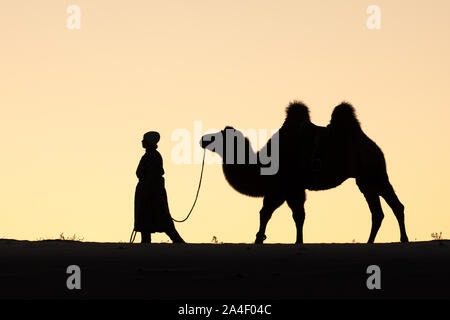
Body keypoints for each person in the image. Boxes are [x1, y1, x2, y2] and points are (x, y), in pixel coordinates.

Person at [134, 131, 185, 243]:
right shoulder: (150, 155)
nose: (142, 141)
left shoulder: (152, 156)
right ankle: (146, 244)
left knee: (161, 218)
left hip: (151, 193)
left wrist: (147, 191)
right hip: (149, 191)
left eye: (144, 139)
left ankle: (179, 244)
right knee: (147, 221)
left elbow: (150, 175)